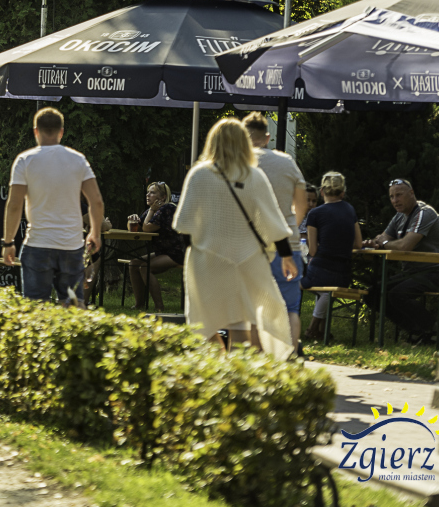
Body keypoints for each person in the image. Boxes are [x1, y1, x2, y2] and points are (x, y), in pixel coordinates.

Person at [172, 118, 297, 359]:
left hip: (207, 260)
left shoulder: (199, 175)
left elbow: (184, 224)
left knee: (203, 321)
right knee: (240, 321)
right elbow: (271, 220)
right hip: (246, 260)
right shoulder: (253, 175)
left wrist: (193, 254)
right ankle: (238, 371)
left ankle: (218, 365)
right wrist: (286, 256)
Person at [3, 107, 104, 307]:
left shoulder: (25, 160)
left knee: (35, 309)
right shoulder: (78, 160)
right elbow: (96, 201)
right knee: (73, 307)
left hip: (38, 244)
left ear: (35, 131)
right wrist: (95, 233)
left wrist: (8, 242)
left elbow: (14, 205)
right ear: (61, 132)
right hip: (71, 245)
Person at [242, 112, 310, 351]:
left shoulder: (239, 164)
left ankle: (257, 361)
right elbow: (301, 204)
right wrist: (288, 226)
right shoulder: (286, 162)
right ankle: (288, 358)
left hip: (250, 245)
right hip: (287, 244)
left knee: (252, 309)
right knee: (289, 308)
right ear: (267, 137)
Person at [364, 179, 439, 344]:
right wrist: (375, 242)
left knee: (397, 294)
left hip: (436, 272)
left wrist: (383, 243)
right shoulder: (399, 216)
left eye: (399, 195)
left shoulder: (424, 213)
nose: (395, 200)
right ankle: (416, 331)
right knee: (372, 294)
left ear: (411, 193)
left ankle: (434, 329)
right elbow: (382, 237)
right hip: (412, 273)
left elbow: (405, 246)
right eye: (391, 197)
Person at [301, 172, 362, 341]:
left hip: (320, 270)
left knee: (315, 287)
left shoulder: (315, 214)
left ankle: (312, 329)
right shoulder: (350, 210)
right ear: (342, 193)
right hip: (343, 273)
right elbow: (358, 243)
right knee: (326, 291)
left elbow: (313, 250)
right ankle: (320, 331)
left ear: (321, 192)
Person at [126, 181, 184, 312]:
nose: (148, 195)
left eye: (152, 193)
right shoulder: (151, 210)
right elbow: (136, 228)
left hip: (176, 253)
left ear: (163, 197)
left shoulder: (167, 208)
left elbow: (147, 228)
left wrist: (151, 210)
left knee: (145, 267)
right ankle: (139, 304)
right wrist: (131, 220)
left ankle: (159, 307)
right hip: (162, 252)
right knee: (133, 264)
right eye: (148, 192)